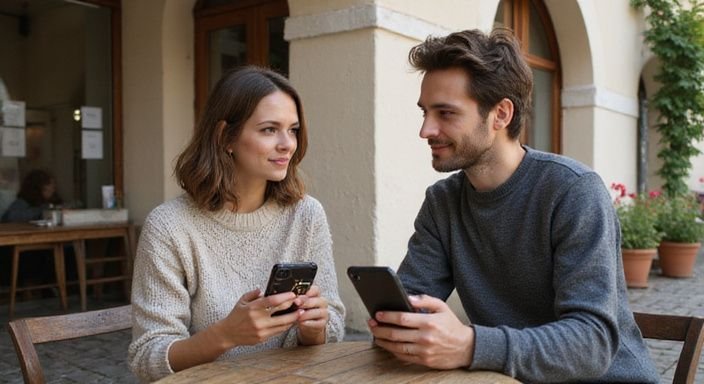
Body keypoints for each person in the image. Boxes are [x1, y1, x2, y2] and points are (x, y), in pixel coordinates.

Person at [367, 29, 660, 383]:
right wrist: (399, 325)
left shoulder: (572, 192)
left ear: (501, 114)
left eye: (445, 113)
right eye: (425, 112)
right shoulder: (442, 203)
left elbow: (591, 343)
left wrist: (470, 345)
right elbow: (412, 300)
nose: (426, 129)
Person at [128, 66, 346, 382]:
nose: (287, 144)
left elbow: (333, 326)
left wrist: (315, 326)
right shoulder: (170, 226)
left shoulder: (306, 214)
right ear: (225, 137)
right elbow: (146, 358)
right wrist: (227, 335)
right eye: (269, 129)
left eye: (293, 129)